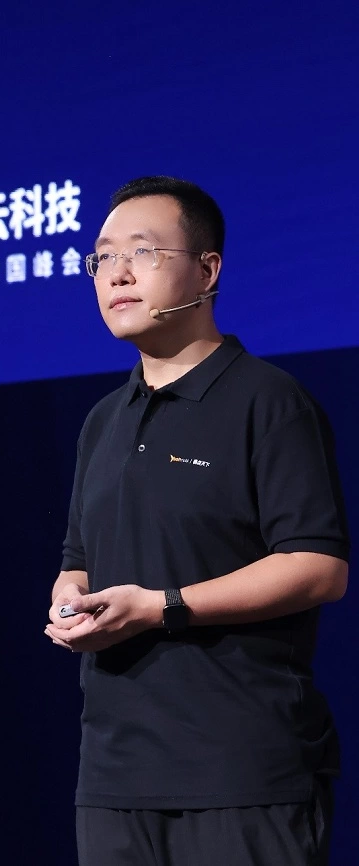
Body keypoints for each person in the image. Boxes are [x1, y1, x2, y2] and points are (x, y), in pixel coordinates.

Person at [44, 176, 350, 866]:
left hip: (240, 771)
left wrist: (161, 606)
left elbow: (317, 567)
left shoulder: (269, 401)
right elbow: (78, 558)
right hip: (114, 777)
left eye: (142, 252)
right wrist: (70, 597)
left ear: (207, 271)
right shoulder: (101, 421)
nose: (116, 274)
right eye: (101, 258)